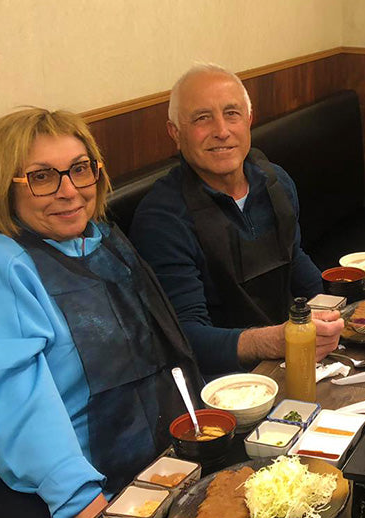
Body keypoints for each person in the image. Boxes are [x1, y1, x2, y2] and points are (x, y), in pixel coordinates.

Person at [0, 109, 204, 518]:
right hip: (30, 481)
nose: (70, 190)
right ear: (4, 187)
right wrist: (91, 509)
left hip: (136, 457)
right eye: (42, 176)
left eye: (80, 169)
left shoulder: (100, 237)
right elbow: (14, 410)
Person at [130, 64, 343, 377]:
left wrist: (339, 318)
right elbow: (185, 337)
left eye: (232, 113)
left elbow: (294, 261)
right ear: (175, 133)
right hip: (222, 386)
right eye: (202, 118)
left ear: (249, 120)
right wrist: (271, 341)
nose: (221, 130)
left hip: (292, 357)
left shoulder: (276, 182)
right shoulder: (162, 219)